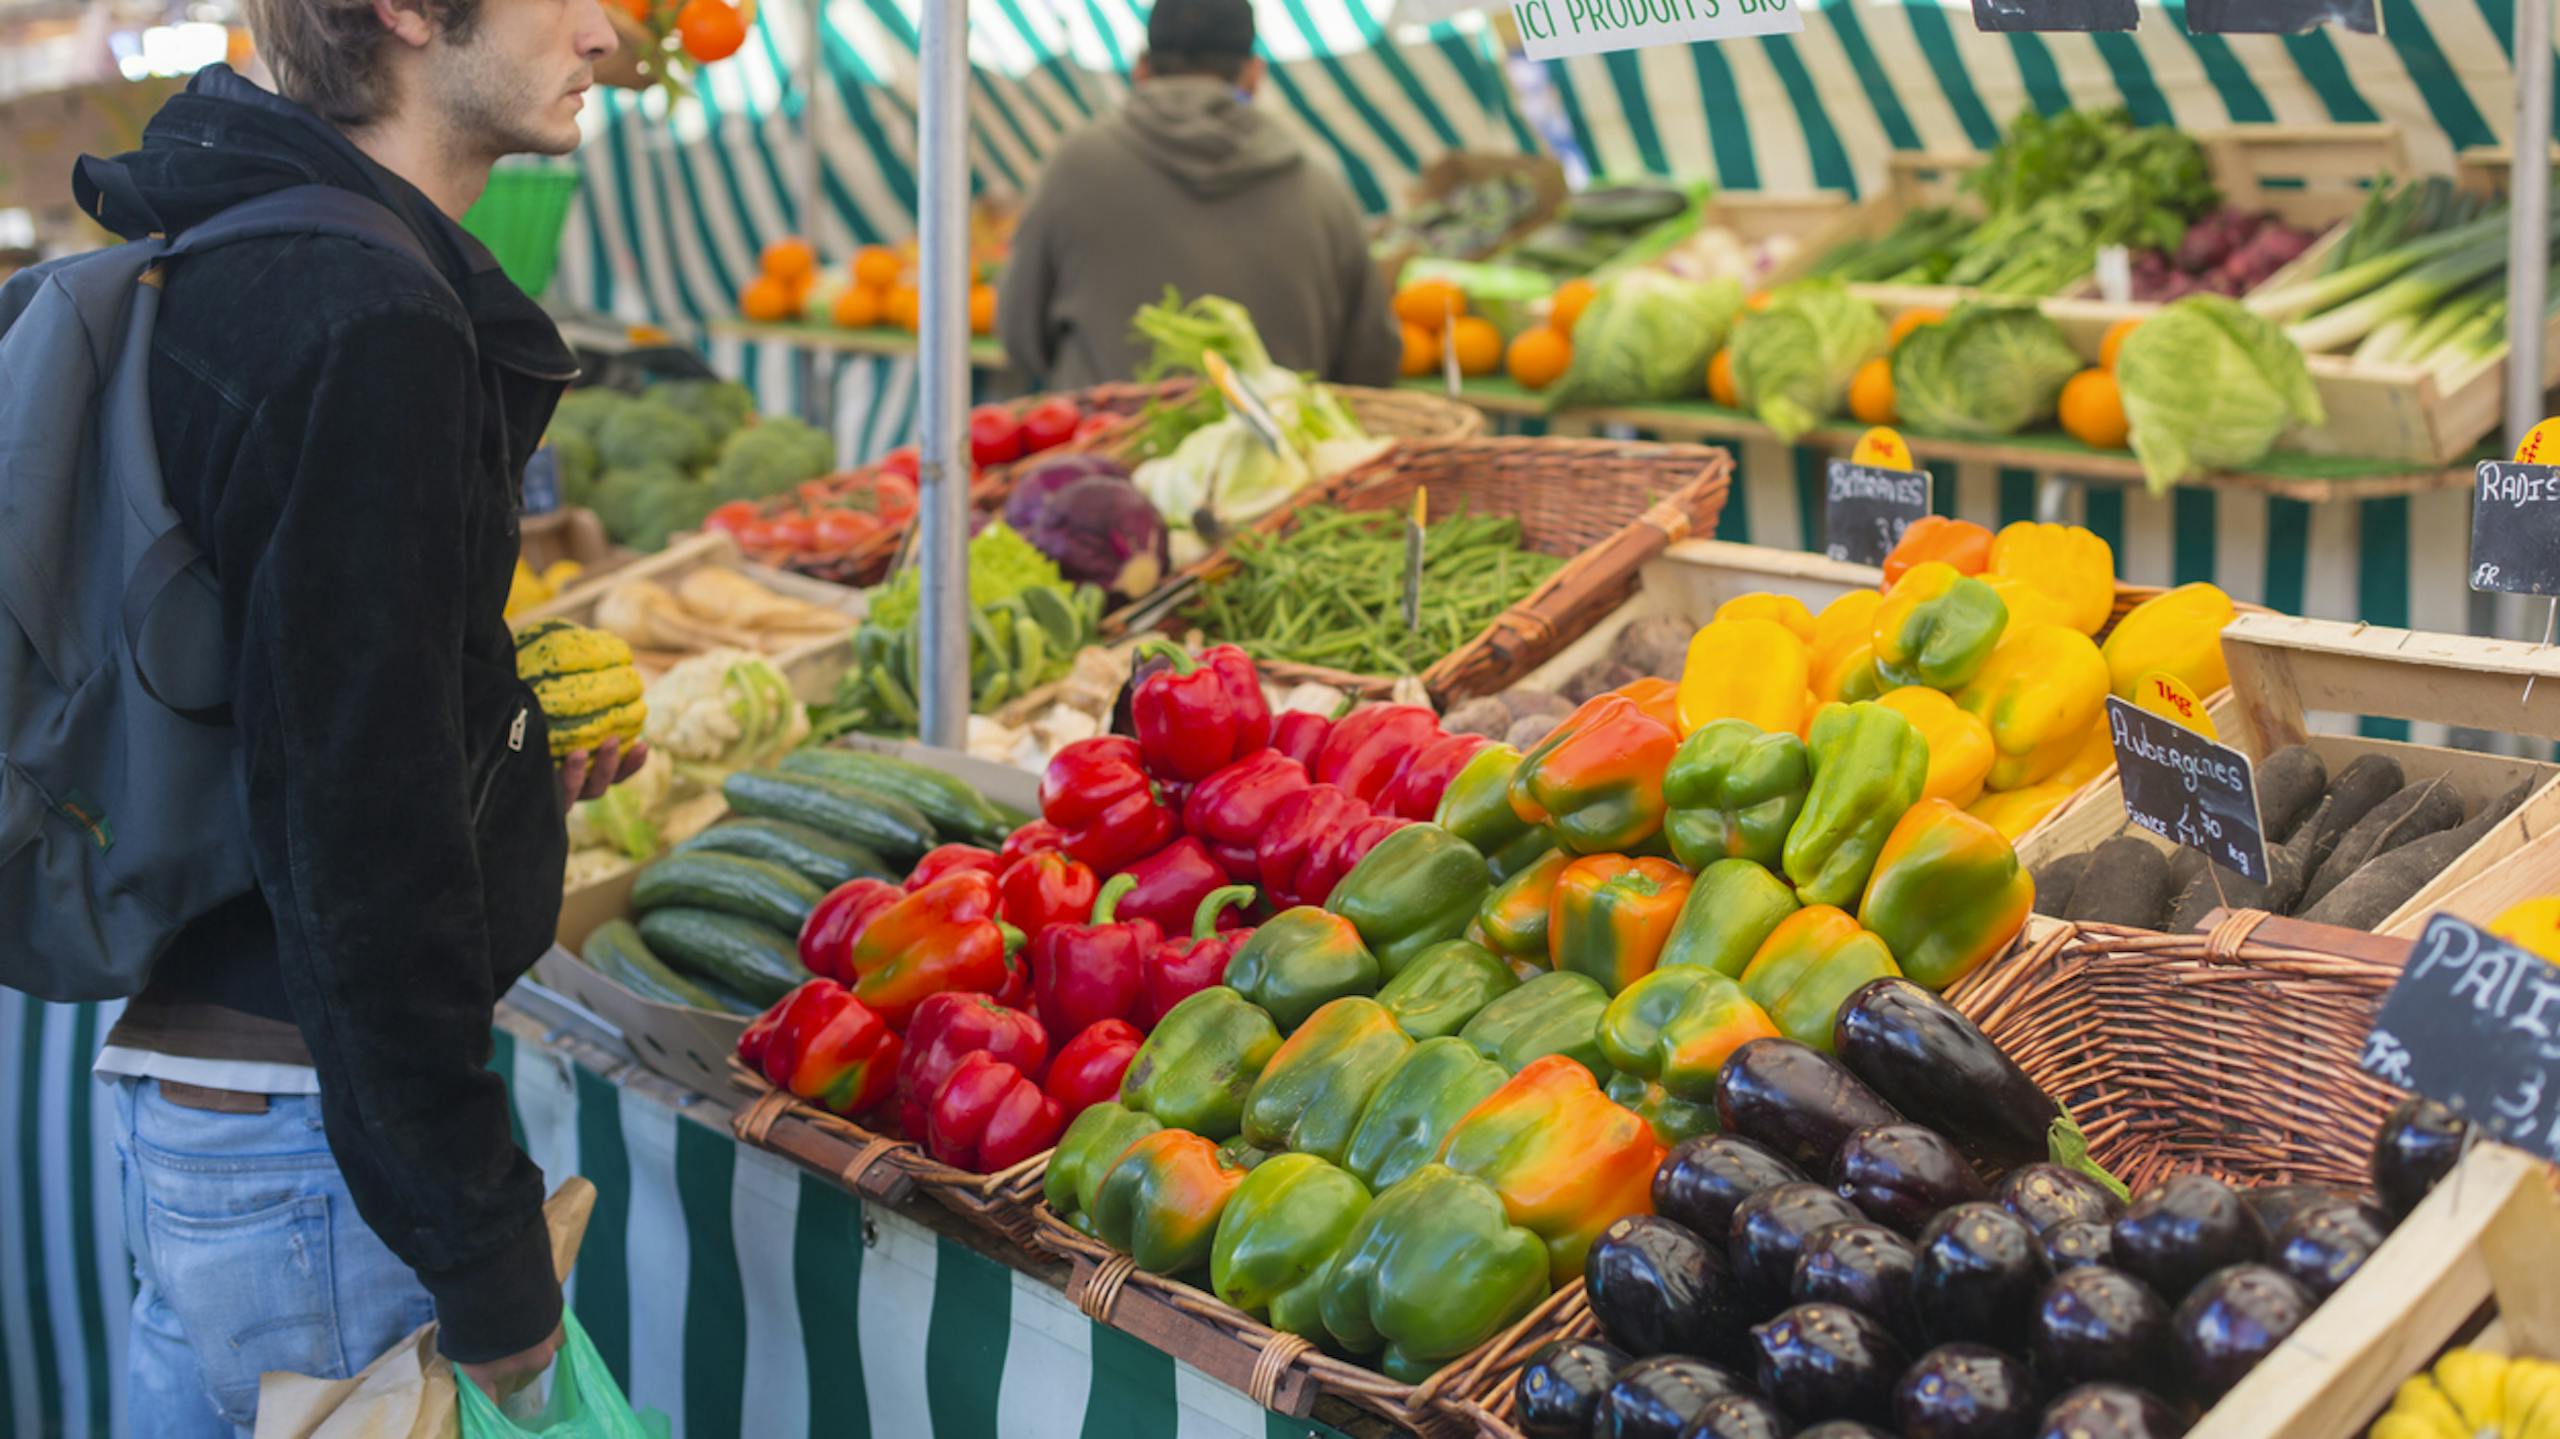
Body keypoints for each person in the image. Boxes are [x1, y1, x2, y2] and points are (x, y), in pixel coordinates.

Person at [70, 0, 638, 1428]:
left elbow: (282, 700)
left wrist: (501, 768)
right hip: (314, 1152)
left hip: (208, 1104)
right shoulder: (369, 315)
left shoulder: (240, 238)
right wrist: (488, 1256)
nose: (610, 35)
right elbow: (357, 838)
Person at [997, 0, 1400, 390]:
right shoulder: (1320, 183)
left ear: (1141, 66)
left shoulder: (1072, 167)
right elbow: (1370, 362)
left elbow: (1020, 336)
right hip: (1278, 454)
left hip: (1099, 451)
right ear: (1254, 73)